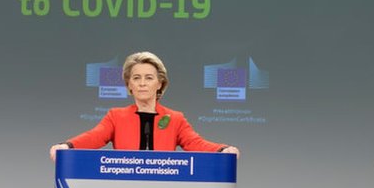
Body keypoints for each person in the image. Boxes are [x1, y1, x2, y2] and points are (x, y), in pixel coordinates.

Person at [49, 51, 240, 161]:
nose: (142, 83)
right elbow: (94, 137)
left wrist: (223, 150)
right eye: (136, 78)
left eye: (149, 78)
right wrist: (67, 145)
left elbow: (196, 143)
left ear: (160, 83)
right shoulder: (116, 116)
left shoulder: (175, 118)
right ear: (129, 85)